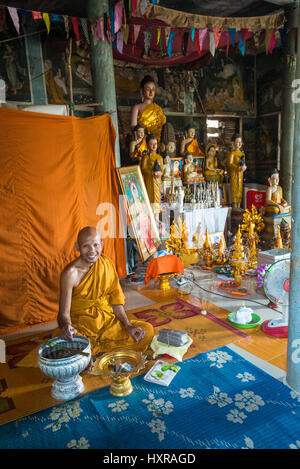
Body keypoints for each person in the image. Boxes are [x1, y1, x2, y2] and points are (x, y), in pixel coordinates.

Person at [58, 226, 154, 372]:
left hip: (108, 325)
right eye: (86, 246)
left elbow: (115, 302)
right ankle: (92, 353)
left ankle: (93, 355)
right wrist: (66, 327)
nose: (92, 251)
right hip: (83, 328)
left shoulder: (106, 264)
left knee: (147, 331)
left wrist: (128, 325)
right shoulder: (70, 274)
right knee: (64, 344)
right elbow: (63, 315)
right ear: (77, 247)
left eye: (96, 245)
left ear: (102, 244)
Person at [130, 75, 166, 142]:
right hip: (142, 141)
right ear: (142, 91)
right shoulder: (137, 108)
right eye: (148, 89)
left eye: (153, 89)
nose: (151, 92)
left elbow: (163, 127)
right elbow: (134, 129)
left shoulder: (158, 109)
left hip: (157, 142)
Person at [141, 134, 164, 215]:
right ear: (147, 145)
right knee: (150, 200)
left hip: (157, 182)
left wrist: (160, 173)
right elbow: (143, 169)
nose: (154, 146)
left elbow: (162, 170)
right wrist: (152, 172)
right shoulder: (145, 157)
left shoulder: (160, 157)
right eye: (151, 144)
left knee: (157, 201)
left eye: (155, 144)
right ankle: (150, 220)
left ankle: (156, 220)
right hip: (149, 182)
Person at [226, 133, 247, 209]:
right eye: (237, 142)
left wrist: (244, 167)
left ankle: (239, 206)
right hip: (234, 174)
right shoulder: (232, 154)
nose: (239, 144)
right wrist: (237, 167)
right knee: (234, 190)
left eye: (240, 142)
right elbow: (229, 164)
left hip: (240, 175)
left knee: (239, 190)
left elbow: (243, 163)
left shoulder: (242, 154)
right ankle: (235, 207)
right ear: (233, 143)